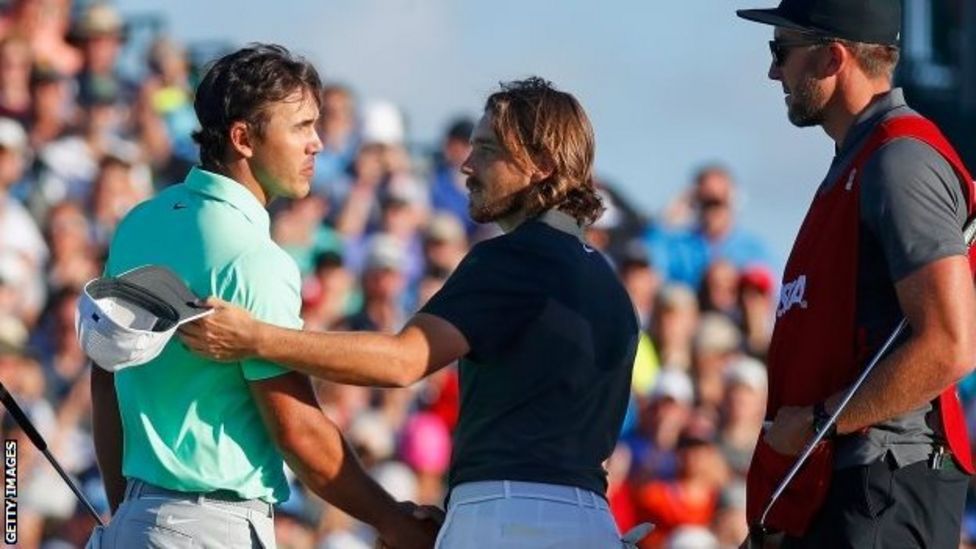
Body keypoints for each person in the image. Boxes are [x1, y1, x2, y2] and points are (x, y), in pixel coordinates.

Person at [181, 77, 646, 548]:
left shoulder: (512, 257)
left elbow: (403, 361)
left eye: (487, 149)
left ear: (542, 164)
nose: (468, 164)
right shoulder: (610, 285)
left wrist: (257, 337)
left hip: (507, 517)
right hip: (593, 525)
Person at [87, 44, 436, 549]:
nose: (317, 144)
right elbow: (298, 433)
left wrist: (131, 515)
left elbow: (106, 382)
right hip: (209, 529)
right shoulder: (256, 259)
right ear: (243, 139)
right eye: (300, 127)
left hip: (138, 521)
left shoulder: (140, 222)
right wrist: (393, 520)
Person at [736, 1, 976, 547]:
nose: (775, 71)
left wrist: (821, 419)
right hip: (856, 485)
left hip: (882, 484)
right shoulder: (865, 156)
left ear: (832, 57)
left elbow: (951, 344)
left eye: (782, 51)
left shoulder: (900, 160)